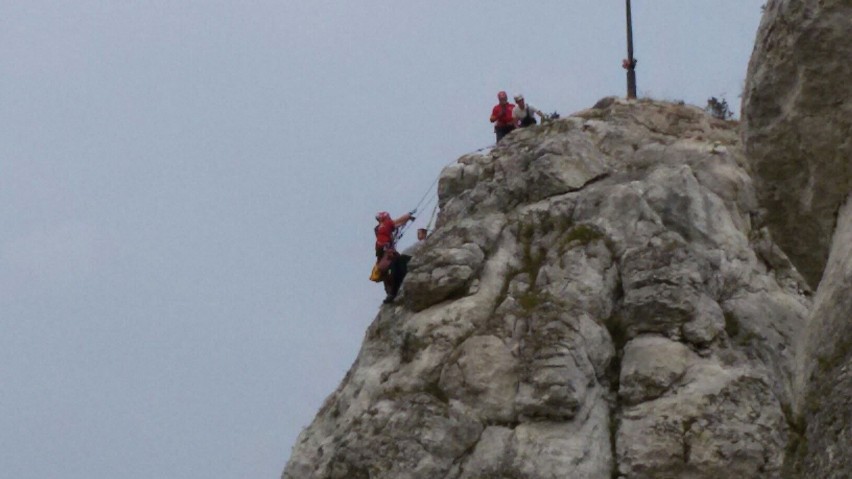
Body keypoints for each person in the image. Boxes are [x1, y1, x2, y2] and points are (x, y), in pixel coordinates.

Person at [374, 211, 415, 303]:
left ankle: (391, 292)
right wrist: (408, 215)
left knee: (392, 271)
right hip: (388, 258)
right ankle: (393, 292)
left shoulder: (381, 229)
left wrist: (407, 219)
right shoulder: (384, 226)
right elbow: (397, 222)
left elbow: (397, 224)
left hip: (385, 259)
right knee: (400, 264)